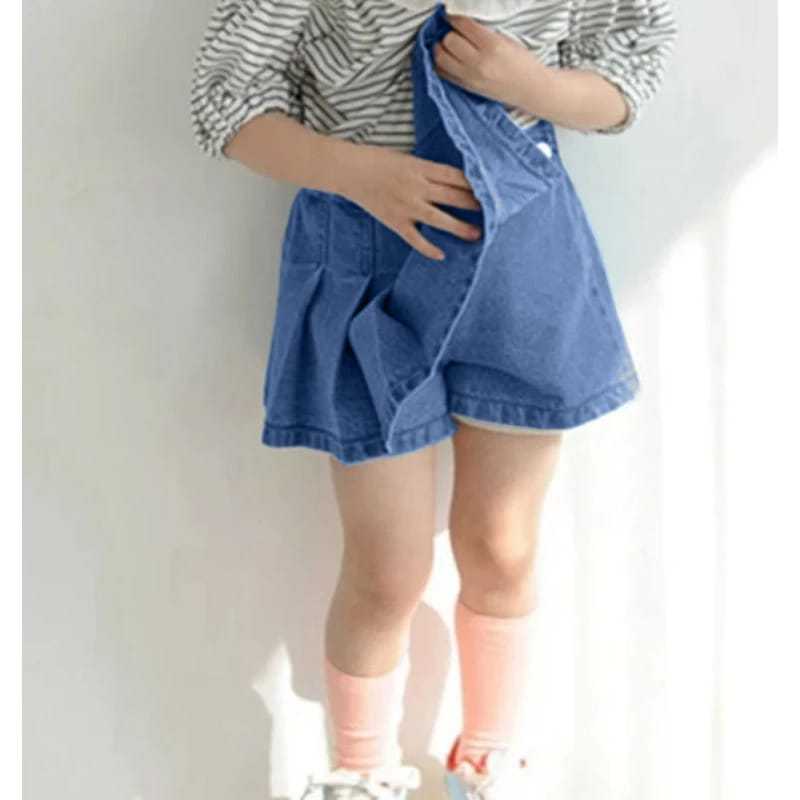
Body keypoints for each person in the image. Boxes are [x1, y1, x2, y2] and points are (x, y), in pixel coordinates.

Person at [189, 1, 678, 798]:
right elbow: (228, 102)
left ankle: (491, 761)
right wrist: (359, 173)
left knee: (503, 545)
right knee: (388, 568)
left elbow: (630, 67)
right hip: (363, 255)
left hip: (518, 247)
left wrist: (534, 86)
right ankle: (361, 772)